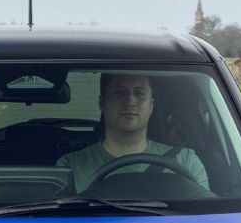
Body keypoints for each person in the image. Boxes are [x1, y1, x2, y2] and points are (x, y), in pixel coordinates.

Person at [58, 72, 210, 191]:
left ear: (151, 106)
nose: (130, 101)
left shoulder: (186, 161)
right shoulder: (70, 167)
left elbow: (206, 220)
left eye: (139, 93)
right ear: (102, 103)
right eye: (119, 93)